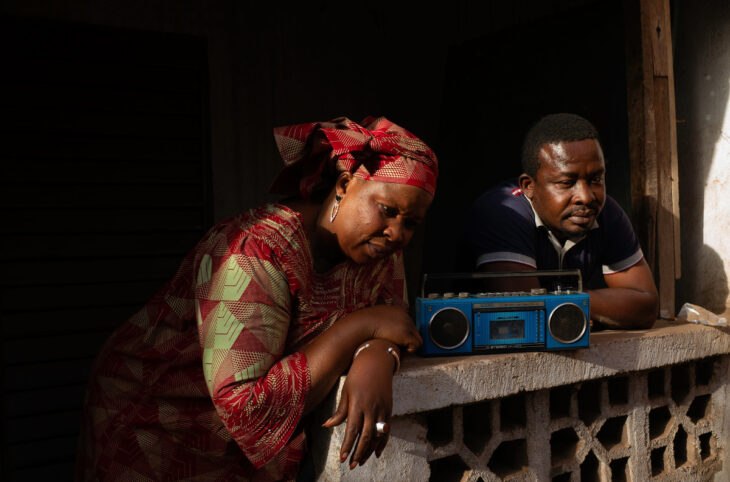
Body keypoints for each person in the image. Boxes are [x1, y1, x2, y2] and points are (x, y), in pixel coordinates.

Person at [76, 116, 438, 481]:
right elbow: (246, 409)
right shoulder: (255, 251)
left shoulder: (380, 249)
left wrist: (377, 353)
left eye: (411, 223)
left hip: (243, 450)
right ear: (344, 185)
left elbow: (396, 322)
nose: (398, 234)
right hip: (156, 420)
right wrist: (361, 327)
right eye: (388, 210)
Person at [466, 113, 658, 330]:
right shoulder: (504, 212)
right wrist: (588, 306)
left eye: (596, 179)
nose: (586, 197)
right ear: (529, 186)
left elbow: (646, 306)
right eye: (567, 182)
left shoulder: (606, 213)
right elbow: (527, 315)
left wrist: (569, 300)